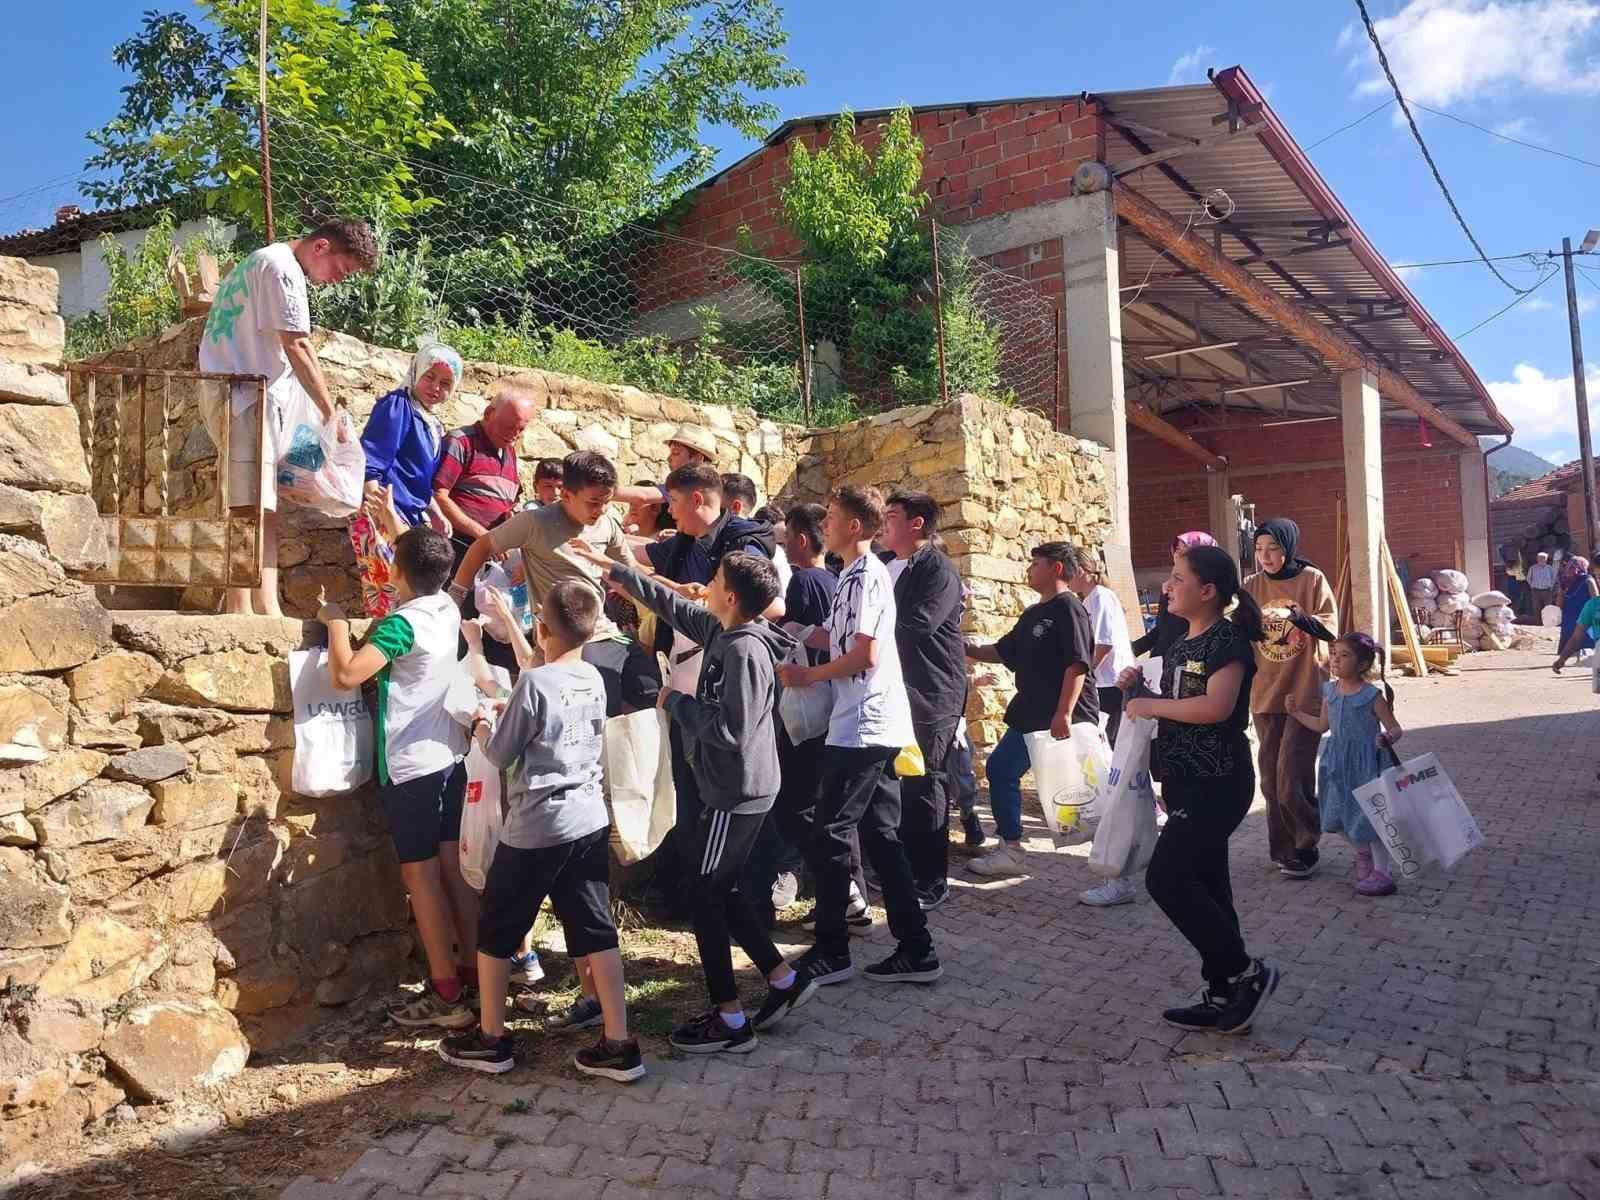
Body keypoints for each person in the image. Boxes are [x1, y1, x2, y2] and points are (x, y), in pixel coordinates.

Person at [580, 543, 819, 1049]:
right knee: (721, 891)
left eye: (713, 581)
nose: (704, 587)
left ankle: (730, 1020)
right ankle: (783, 979)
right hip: (737, 786)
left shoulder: (743, 650)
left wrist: (677, 702)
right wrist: (621, 574)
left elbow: (733, 731)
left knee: (705, 897)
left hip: (735, 792)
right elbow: (679, 608)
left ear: (729, 596)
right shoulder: (727, 629)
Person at [436, 580, 643, 1082]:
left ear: (542, 626)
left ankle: (491, 1039)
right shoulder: (592, 675)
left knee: (498, 927)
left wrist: (481, 724)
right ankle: (619, 1041)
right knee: (595, 926)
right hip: (587, 818)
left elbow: (502, 754)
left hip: (536, 826)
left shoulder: (534, 684)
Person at [778, 485, 942, 987]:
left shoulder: (868, 577)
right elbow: (838, 637)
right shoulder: (849, 576)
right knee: (879, 835)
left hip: (864, 725)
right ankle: (917, 948)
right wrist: (789, 629)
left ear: (852, 526)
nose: (823, 524)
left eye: (830, 517)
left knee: (830, 834)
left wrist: (809, 676)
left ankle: (832, 949)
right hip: (863, 722)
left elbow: (864, 656)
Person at [315, 527, 477, 1029]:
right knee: (455, 869)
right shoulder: (447, 609)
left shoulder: (399, 626)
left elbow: (347, 675)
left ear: (396, 571)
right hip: (451, 757)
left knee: (420, 875)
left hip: (410, 767)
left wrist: (336, 625)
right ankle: (476, 976)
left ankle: (445, 994)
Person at [1121, 543, 1280, 1034]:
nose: (1167, 586)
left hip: (1220, 780)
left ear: (1207, 591)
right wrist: (1138, 690)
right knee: (1210, 886)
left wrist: (1153, 707)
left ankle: (1246, 973)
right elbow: (1175, 703)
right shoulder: (1182, 641)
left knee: (1165, 879)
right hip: (1185, 779)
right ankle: (1224, 994)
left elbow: (1214, 708)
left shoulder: (1226, 641)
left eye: (1177, 578)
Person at [199, 217, 379, 617]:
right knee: (248, 503)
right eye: (340, 269)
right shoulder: (282, 269)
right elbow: (298, 346)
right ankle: (240, 608)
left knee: (263, 503)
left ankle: (265, 605)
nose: (336, 280)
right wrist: (331, 416)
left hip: (247, 393)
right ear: (321, 247)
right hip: (244, 394)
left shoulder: (265, 260)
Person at [964, 542, 1098, 878]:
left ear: (1055, 568)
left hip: (1064, 715)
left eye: (1035, 563)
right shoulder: (1034, 612)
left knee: (1089, 788)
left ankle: (1117, 858)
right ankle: (1011, 849)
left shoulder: (1069, 608)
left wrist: (1064, 713)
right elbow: (1005, 650)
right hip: (1031, 711)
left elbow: (1077, 664)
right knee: (1001, 769)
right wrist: (965, 648)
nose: (1029, 569)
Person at [882, 491, 967, 909]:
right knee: (893, 780)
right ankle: (899, 869)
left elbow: (918, 625)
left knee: (925, 780)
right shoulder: (882, 566)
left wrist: (864, 638)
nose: (884, 522)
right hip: (891, 689)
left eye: (892, 515)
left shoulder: (937, 570)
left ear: (916, 523)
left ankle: (931, 878)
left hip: (931, 692)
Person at [447, 451, 636, 634]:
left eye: (607, 502)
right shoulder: (535, 521)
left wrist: (658, 603)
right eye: (593, 502)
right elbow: (482, 546)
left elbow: (631, 572)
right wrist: (456, 597)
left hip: (602, 629)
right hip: (560, 638)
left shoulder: (608, 525)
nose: (601, 510)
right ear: (566, 495)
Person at [1244, 518, 1337, 880]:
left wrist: (1296, 616)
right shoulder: (1251, 585)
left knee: (1290, 778)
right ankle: (1284, 850)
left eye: (1274, 549)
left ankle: (1307, 841)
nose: (1266, 557)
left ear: (1288, 547)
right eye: (1259, 550)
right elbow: (1239, 629)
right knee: (1269, 781)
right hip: (1264, 692)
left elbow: (1330, 626)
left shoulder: (1311, 579)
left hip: (1303, 691)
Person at [1286, 633, 1404, 898]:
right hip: (1336, 764)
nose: (1336, 660)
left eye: (1344, 655)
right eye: (1335, 653)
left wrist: (1387, 737)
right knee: (1337, 816)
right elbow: (1322, 725)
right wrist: (1295, 713)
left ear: (1362, 665)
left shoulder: (1372, 696)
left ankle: (1383, 873)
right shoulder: (1330, 691)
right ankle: (1363, 855)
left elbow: (1395, 728)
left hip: (1367, 764)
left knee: (1371, 819)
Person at [351, 344, 463, 616]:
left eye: (446, 383)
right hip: (382, 512)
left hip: (405, 517)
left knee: (404, 599)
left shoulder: (431, 422)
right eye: (429, 377)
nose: (436, 387)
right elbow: (373, 461)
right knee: (389, 595)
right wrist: (379, 515)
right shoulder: (397, 406)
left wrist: (434, 512)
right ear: (416, 372)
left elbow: (418, 479)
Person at [431, 389, 537, 556]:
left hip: (489, 552)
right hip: (454, 547)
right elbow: (438, 496)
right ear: (489, 414)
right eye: (509, 427)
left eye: (521, 430)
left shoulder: (509, 452)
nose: (514, 435)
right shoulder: (461, 442)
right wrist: (482, 535)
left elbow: (508, 503)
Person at [1068, 554, 1135, 748]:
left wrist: (1085, 674)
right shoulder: (1090, 599)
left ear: (1080, 571)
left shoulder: (1101, 597)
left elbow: (1103, 644)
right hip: (1104, 681)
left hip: (1110, 681)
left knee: (1109, 743)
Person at [1133, 532, 1217, 663]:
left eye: (1185, 548)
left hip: (1190, 663)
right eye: (1177, 549)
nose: (1178, 553)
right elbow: (1163, 628)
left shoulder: (1210, 591)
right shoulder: (1168, 587)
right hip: (1162, 662)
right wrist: (1133, 649)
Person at [1552, 559, 1600, 670]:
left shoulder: (1588, 580)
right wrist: (1561, 660)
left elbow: (1594, 595)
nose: (1570, 569)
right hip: (1571, 616)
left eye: (1573, 566)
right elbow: (1575, 638)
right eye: (1598, 576)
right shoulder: (1592, 605)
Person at [1529, 551, 1558, 620]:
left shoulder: (1550, 568)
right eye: (1540, 558)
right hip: (1536, 591)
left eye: (1543, 558)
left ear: (1546, 559)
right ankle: (1537, 621)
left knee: (1548, 606)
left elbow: (1554, 578)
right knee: (1536, 607)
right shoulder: (1533, 568)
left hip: (1547, 591)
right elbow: (1528, 578)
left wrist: (1551, 586)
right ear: (1537, 559)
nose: (1541, 559)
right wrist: (1532, 586)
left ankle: (1548, 621)